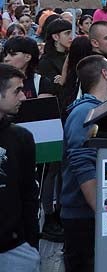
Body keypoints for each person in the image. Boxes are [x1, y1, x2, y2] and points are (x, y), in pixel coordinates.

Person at [61, 55, 107, 272]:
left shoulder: (98, 109)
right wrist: (103, 211)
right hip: (82, 216)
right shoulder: (85, 112)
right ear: (104, 74)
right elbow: (81, 161)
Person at [0, 63, 38, 271]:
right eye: (17, 91)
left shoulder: (21, 138)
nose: (23, 97)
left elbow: (29, 194)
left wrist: (30, 244)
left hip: (15, 249)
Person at [37, 17, 74, 99]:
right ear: (55, 37)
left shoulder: (71, 55)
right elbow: (53, 89)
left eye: (73, 33)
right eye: (67, 33)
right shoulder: (46, 61)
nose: (72, 36)